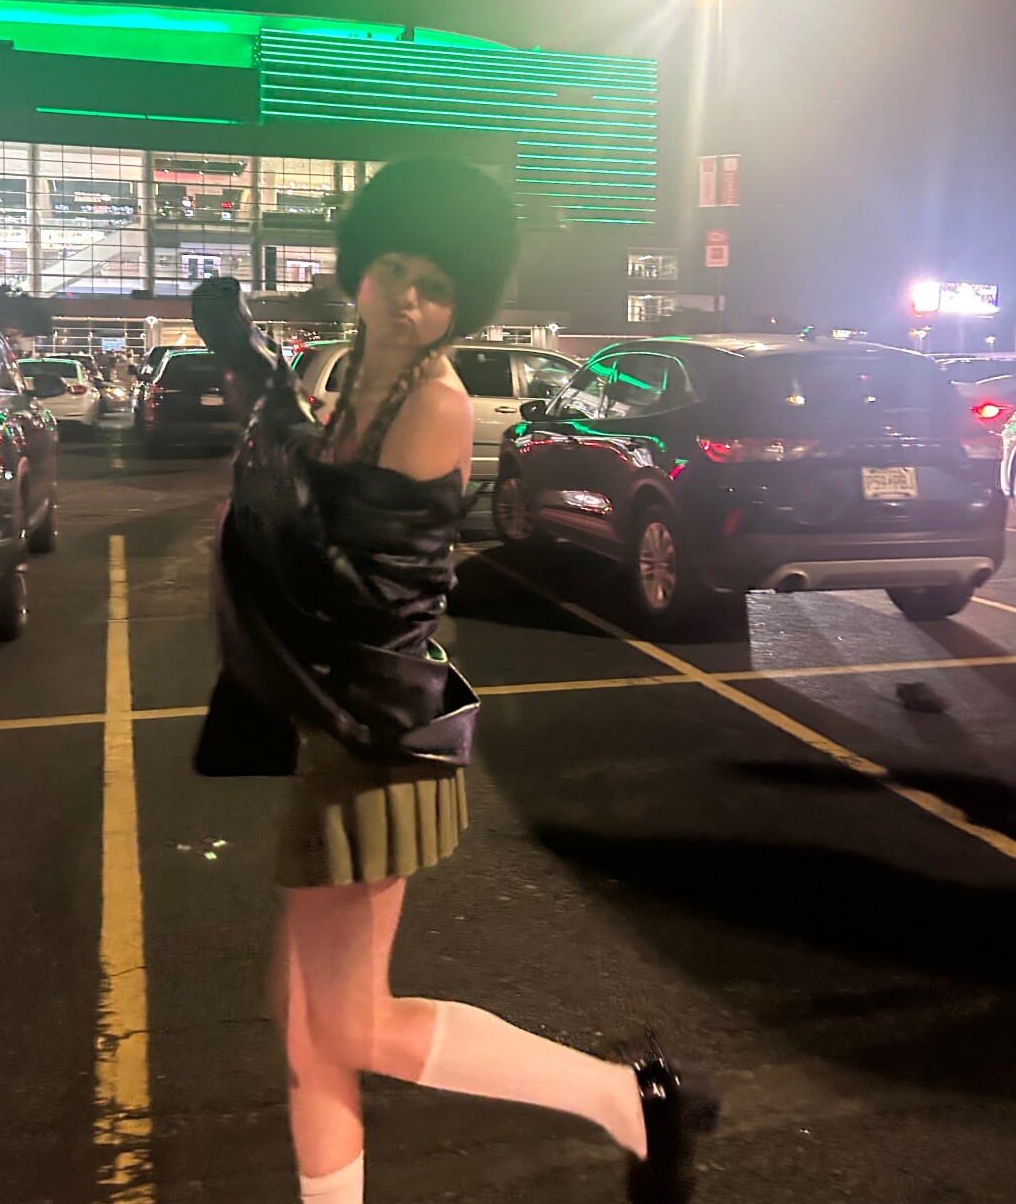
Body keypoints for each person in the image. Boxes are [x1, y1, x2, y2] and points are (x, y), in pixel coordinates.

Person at [192, 157, 717, 1204]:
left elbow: (348, 589)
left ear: (462, 301)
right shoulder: (354, 373)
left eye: (436, 285)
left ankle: (629, 1101)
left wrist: (266, 413)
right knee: (305, 1018)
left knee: (346, 1024)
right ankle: (627, 1103)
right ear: (361, 265)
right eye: (393, 268)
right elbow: (303, 509)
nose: (408, 298)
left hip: (375, 734)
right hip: (342, 720)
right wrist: (267, 389)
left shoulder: (431, 404)